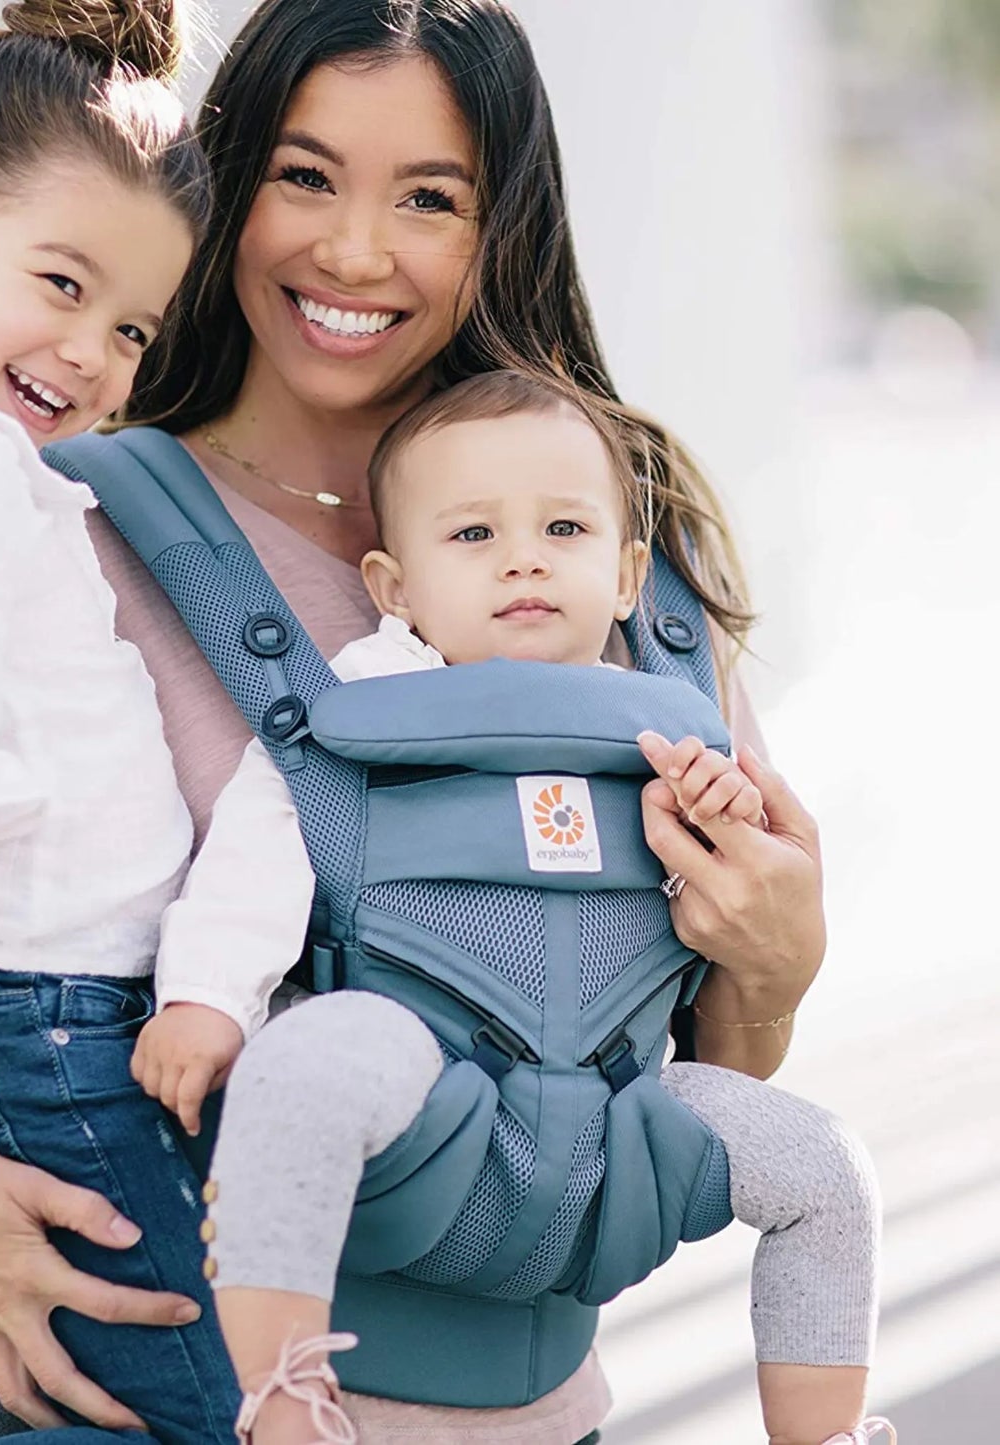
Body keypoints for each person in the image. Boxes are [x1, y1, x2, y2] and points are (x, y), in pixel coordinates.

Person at [0, 2, 830, 1443]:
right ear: (225, 194)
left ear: (502, 225)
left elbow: (675, 1062)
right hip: (198, 1360)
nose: (354, 251)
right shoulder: (47, 502)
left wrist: (781, 962)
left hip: (514, 1399)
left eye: (428, 196)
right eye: (303, 177)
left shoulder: (602, 542)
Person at [130, 368, 892, 1445]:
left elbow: (709, 953)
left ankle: (823, 1431)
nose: (522, 555)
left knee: (826, 1168)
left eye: (562, 527)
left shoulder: (667, 723)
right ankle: (284, 1398)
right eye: (473, 533)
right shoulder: (357, 707)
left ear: (627, 574)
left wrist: (721, 824)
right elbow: (253, 862)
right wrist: (205, 998)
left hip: (620, 1117)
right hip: (420, 1094)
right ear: (393, 588)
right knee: (304, 1060)